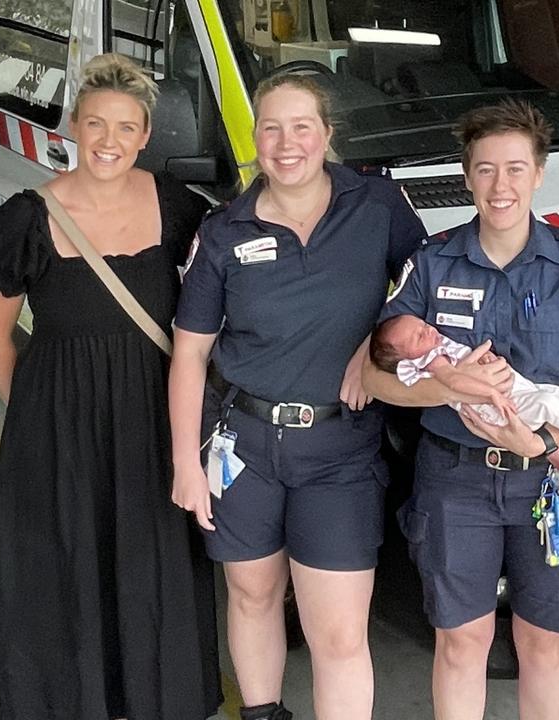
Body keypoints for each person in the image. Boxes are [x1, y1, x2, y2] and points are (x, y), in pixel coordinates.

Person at [0, 53, 221, 719]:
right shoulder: (28, 218)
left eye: (126, 127)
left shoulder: (180, 211)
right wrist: (32, 420)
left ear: (145, 136)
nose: (109, 141)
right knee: (65, 566)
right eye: (96, 124)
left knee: (151, 561)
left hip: (154, 419)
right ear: (74, 126)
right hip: (56, 426)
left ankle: (157, 700)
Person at [168, 74, 427, 720]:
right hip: (243, 445)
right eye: (271, 129)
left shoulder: (376, 205)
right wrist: (185, 463)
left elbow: (424, 289)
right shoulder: (224, 231)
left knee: (338, 633)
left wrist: (375, 341)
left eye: (301, 127)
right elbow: (190, 353)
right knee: (253, 597)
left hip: (340, 450)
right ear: (254, 139)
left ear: (327, 134)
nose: (287, 144)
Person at [363, 99, 559, 720]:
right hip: (455, 481)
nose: (500, 185)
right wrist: (450, 388)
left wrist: (535, 434)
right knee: (462, 642)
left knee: (545, 642)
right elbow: (379, 379)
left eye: (514, 168)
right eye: (485, 169)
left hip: (552, 476)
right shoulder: (431, 262)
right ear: (466, 175)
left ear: (538, 174)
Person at [369, 313, 559, 473]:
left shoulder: (438, 344)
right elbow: (455, 382)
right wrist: (492, 395)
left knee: (556, 395)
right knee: (546, 403)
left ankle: (551, 449)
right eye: (417, 337)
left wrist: (485, 357)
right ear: (407, 359)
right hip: (491, 404)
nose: (427, 331)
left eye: (422, 325)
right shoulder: (432, 360)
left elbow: (465, 360)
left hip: (505, 387)